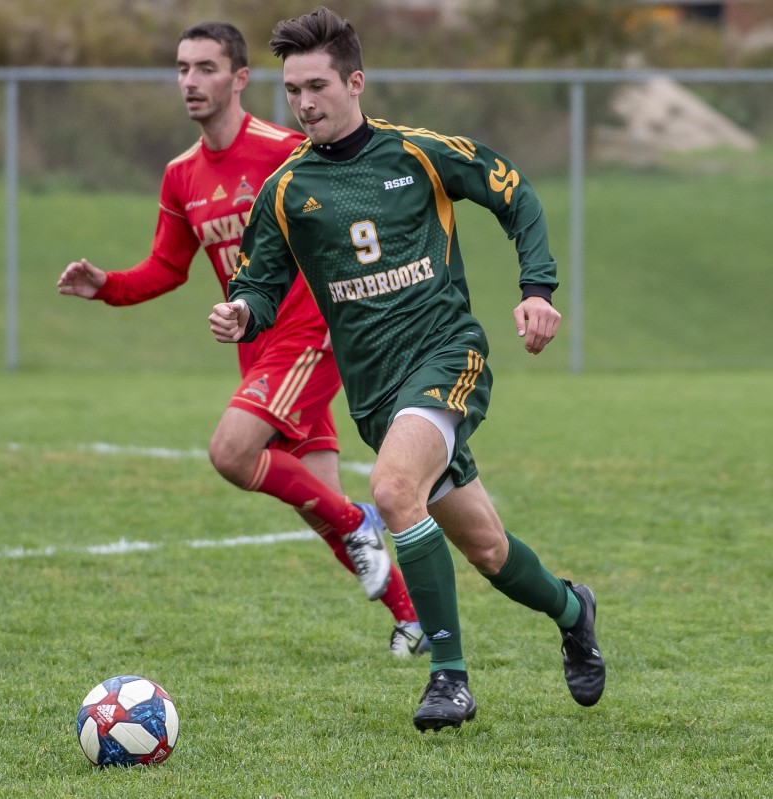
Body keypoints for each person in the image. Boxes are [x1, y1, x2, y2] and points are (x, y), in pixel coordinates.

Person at [209, 7, 606, 730]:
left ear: (356, 81)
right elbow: (259, 283)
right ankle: (574, 608)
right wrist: (242, 312)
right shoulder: (287, 191)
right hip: (376, 393)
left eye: (318, 86)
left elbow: (516, 193)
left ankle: (448, 677)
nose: (304, 103)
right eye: (293, 90)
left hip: (447, 354)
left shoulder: (418, 153)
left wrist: (537, 290)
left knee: (392, 491)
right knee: (487, 548)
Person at [57, 21, 428, 656]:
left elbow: (348, 222)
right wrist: (108, 286)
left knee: (232, 453)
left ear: (239, 78)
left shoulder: (286, 150)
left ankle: (359, 523)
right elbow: (169, 267)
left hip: (311, 331)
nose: (190, 82)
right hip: (255, 346)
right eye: (181, 69)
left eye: (205, 68)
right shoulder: (181, 176)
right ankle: (414, 621)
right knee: (318, 501)